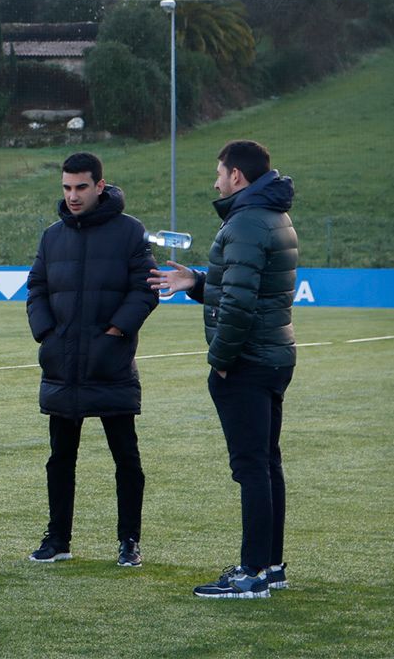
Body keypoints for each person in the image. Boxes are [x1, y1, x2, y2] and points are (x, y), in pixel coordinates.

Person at [149, 140, 298, 599]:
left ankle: (252, 572)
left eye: (219, 172)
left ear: (236, 176)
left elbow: (238, 303)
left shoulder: (247, 221)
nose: (215, 181)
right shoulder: (271, 215)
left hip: (248, 361)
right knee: (267, 464)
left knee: (252, 467)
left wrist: (221, 362)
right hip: (273, 355)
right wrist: (196, 282)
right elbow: (241, 283)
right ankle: (269, 565)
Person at [26, 151, 159, 568]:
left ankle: (129, 541)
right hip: (62, 364)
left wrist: (116, 333)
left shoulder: (131, 232)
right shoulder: (52, 236)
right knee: (60, 458)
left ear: (100, 186)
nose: (73, 196)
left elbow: (145, 289)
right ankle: (58, 539)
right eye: (66, 188)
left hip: (110, 364)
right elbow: (37, 289)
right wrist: (48, 335)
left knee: (126, 459)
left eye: (81, 187)